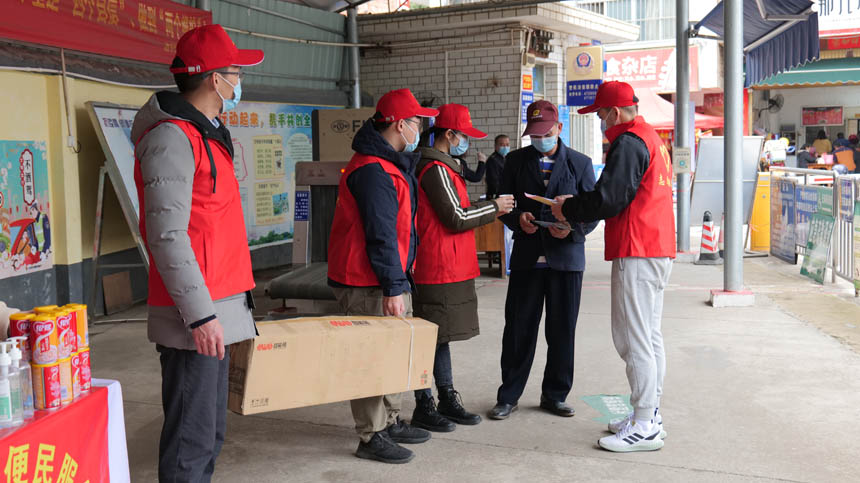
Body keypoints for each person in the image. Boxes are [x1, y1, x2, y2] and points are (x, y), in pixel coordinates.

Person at [131, 24, 263, 480]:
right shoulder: (172, 139)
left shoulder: (207, 134)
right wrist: (201, 315)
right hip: (196, 320)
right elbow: (168, 234)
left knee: (208, 437)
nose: (240, 82)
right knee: (191, 443)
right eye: (236, 72)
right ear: (214, 79)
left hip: (216, 310)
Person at [550, 81, 674, 453]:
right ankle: (649, 414)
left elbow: (609, 198)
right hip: (655, 247)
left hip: (638, 248)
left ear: (615, 113)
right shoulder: (651, 137)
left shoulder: (629, 142)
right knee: (649, 337)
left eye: (602, 115)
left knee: (633, 339)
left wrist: (568, 208)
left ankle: (643, 424)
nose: (602, 123)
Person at [327, 88, 437, 464]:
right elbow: (381, 234)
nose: (421, 128)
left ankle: (389, 421)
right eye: (417, 122)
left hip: (386, 277)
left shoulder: (388, 165)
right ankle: (371, 434)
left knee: (391, 354)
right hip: (367, 281)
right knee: (370, 358)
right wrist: (393, 285)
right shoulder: (372, 170)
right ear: (399, 124)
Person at [488, 100, 597, 422]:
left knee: (562, 331)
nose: (541, 140)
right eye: (534, 135)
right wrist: (517, 218)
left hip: (566, 260)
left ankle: (555, 395)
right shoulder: (515, 162)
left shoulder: (580, 163)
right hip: (526, 259)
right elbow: (503, 204)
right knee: (519, 329)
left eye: (546, 133)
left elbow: (593, 211)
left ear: (559, 128)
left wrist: (573, 227)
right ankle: (508, 396)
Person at [409, 104, 515, 433]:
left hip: (448, 263)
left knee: (441, 336)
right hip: (436, 265)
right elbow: (455, 217)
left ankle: (445, 398)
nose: (466, 142)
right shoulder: (434, 169)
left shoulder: (446, 165)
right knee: (431, 337)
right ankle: (425, 403)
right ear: (449, 135)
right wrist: (493, 207)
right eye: (464, 136)